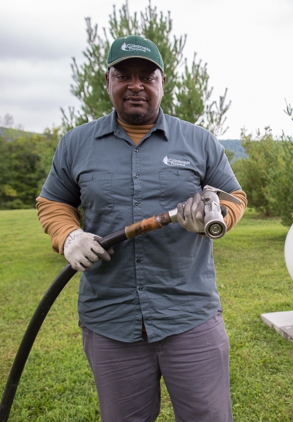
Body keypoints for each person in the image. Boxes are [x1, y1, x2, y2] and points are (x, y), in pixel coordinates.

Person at [36, 35, 247, 421]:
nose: (136, 85)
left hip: (189, 316)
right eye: (124, 75)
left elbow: (234, 196)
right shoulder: (76, 143)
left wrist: (213, 220)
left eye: (147, 76)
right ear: (108, 81)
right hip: (111, 320)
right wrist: (68, 235)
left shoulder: (198, 141)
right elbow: (53, 202)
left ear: (162, 82)